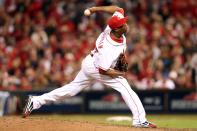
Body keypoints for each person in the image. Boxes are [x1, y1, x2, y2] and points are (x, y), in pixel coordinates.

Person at [23, 6, 157, 128]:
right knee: (125, 87)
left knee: (71, 90)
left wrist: (94, 9)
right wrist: (120, 73)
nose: (126, 24)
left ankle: (35, 101)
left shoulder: (113, 28)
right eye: (123, 24)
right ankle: (139, 119)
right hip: (98, 67)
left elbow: (118, 9)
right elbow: (103, 70)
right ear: (116, 28)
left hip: (90, 62)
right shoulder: (109, 48)